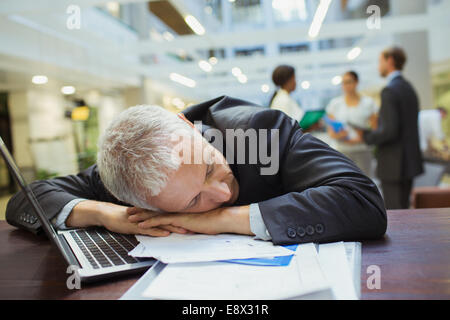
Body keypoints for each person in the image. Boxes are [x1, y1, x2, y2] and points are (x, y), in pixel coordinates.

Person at [6, 96, 387, 245]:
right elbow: (27, 197)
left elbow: (363, 202)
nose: (221, 192)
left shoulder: (261, 132)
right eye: (192, 200)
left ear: (190, 128)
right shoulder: (124, 176)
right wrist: (107, 214)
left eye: (208, 167)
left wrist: (222, 218)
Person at [362, 47, 424, 209]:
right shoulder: (409, 88)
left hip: (393, 163)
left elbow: (389, 130)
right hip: (409, 162)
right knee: (405, 211)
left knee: (396, 214)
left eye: (379, 61)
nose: (378, 66)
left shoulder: (389, 91)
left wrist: (366, 136)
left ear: (389, 61)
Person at [325, 71, 378, 176]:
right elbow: (331, 132)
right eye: (343, 83)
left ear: (356, 82)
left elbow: (375, 129)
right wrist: (340, 135)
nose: (346, 86)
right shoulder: (335, 104)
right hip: (342, 151)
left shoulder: (368, 103)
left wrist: (362, 137)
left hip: (363, 150)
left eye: (349, 82)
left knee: (365, 183)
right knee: (345, 184)